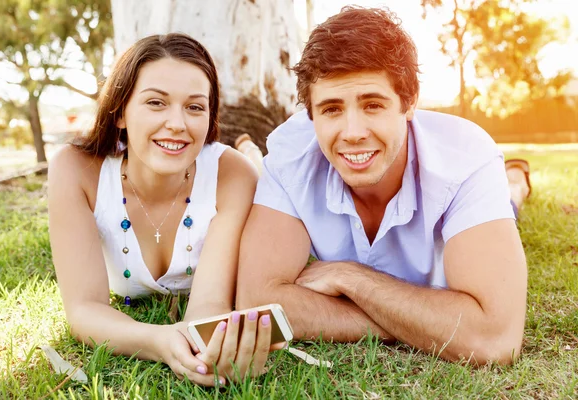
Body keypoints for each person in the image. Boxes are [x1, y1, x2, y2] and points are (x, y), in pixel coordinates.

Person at [236, 6, 529, 365]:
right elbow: (257, 303)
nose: (353, 132)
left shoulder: (466, 160)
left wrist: (350, 277)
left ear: (409, 103)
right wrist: (415, 323)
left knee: (511, 202)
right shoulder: (290, 156)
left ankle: (516, 181)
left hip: (467, 214)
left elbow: (494, 338)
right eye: (331, 109)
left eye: (372, 104)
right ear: (310, 113)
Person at [48, 33, 276, 386]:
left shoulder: (232, 176)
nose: (178, 124)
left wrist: (203, 343)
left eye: (195, 107)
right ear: (120, 112)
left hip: (244, 166)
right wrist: (160, 341)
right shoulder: (76, 170)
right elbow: (83, 310)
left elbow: (209, 303)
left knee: (257, 166)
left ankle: (247, 147)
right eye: (156, 103)